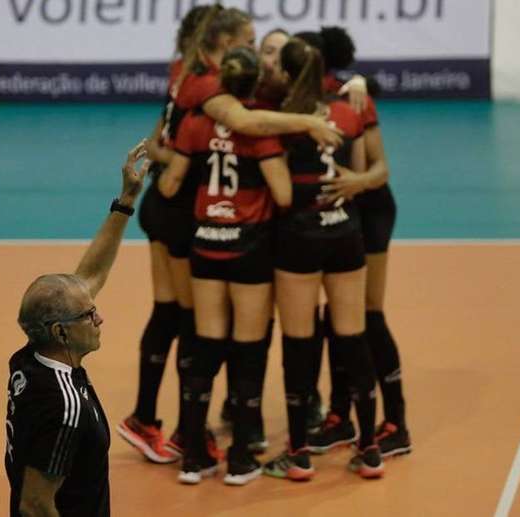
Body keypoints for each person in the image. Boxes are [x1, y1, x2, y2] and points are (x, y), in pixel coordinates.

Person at [159, 46, 292, 486]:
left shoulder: (195, 124)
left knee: (205, 344)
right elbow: (284, 194)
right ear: (253, 85)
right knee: (248, 349)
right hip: (248, 247)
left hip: (205, 244)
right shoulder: (260, 130)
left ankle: (194, 455)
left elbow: (171, 180)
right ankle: (240, 457)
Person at [261, 38, 384, 480]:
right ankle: (369, 448)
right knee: (352, 339)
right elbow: (361, 169)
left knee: (299, 343)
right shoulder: (349, 109)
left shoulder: (276, 119)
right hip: (345, 232)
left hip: (299, 235)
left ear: (289, 75)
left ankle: (298, 453)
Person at [5, 142, 149, 517]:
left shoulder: (30, 358)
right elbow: (36, 505)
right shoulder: (65, 406)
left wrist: (125, 201)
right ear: (61, 333)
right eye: (89, 315)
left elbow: (90, 276)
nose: (100, 318)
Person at [301, 27, 412, 459]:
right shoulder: (294, 98)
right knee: (337, 320)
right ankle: (340, 416)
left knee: (368, 315)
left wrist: (357, 182)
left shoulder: (351, 95)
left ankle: (396, 422)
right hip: (335, 217)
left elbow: (378, 171)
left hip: (369, 209)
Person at [118, 4, 211, 466]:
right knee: (192, 320)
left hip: (163, 208)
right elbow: (164, 149)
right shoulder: (205, 89)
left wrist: (168, 156)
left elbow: (155, 142)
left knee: (169, 313)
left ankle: (147, 419)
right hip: (179, 212)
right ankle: (189, 431)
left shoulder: (182, 79)